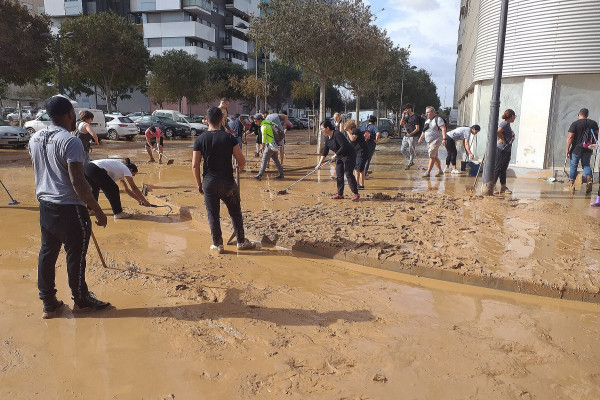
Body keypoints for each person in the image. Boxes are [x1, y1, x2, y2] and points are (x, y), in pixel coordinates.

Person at [28, 95, 110, 318]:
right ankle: (81, 298)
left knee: (47, 252)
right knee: (76, 255)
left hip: (46, 206)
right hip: (70, 208)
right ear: (70, 115)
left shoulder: (34, 138)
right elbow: (78, 182)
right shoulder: (70, 141)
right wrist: (97, 209)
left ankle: (49, 302)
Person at [192, 106, 257, 253]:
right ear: (222, 120)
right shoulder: (229, 138)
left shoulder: (200, 140)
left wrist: (199, 184)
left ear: (206, 120)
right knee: (235, 212)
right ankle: (241, 241)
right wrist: (238, 168)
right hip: (227, 182)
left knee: (213, 214)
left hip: (209, 182)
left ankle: (218, 244)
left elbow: (195, 166)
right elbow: (241, 160)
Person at [84, 158, 152, 219]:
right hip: (95, 168)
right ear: (131, 170)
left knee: (95, 188)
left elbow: (126, 189)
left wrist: (139, 200)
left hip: (87, 168)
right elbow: (134, 187)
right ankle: (118, 213)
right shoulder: (125, 169)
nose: (132, 176)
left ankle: (89, 209)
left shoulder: (120, 171)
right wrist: (145, 201)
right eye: (133, 174)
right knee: (114, 188)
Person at [316, 120, 360, 201]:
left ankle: (356, 193)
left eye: (322, 129)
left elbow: (344, 146)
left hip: (349, 155)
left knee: (348, 173)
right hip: (340, 156)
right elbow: (324, 152)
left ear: (327, 128)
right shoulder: (327, 139)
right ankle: (340, 194)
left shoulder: (337, 134)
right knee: (339, 175)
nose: (321, 131)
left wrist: (335, 155)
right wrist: (319, 164)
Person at [565, 108, 599, 193]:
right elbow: (596, 136)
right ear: (587, 115)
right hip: (588, 148)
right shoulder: (593, 123)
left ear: (579, 114)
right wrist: (593, 145)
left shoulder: (575, 124)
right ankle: (589, 181)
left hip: (576, 149)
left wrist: (567, 149)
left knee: (573, 166)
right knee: (586, 165)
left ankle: (571, 185)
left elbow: (570, 137)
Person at [253, 113, 285, 181]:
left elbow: (264, 137)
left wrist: (263, 146)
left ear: (260, 120)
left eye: (256, 121)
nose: (255, 123)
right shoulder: (269, 123)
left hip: (270, 145)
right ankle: (281, 174)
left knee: (264, 159)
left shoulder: (264, 126)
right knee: (276, 160)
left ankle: (260, 175)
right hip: (275, 145)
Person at [493, 109, 517, 194]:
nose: (515, 118)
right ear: (512, 116)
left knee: (503, 169)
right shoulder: (504, 124)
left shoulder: (508, 125)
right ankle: (492, 186)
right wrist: (502, 139)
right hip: (501, 150)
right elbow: (498, 131)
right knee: (498, 168)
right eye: (515, 116)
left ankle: (503, 186)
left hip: (507, 150)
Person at [418, 106, 447, 178]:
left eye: (428, 112)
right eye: (426, 113)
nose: (426, 114)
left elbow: (443, 129)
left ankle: (428, 172)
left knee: (431, 155)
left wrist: (444, 138)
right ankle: (440, 171)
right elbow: (424, 131)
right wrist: (421, 138)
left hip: (436, 140)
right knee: (434, 156)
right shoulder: (427, 120)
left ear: (433, 112)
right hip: (429, 141)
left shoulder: (438, 119)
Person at [344, 120, 369, 190]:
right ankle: (357, 183)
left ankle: (361, 185)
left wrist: (347, 132)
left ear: (350, 127)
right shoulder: (353, 132)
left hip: (362, 151)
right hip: (357, 152)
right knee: (356, 168)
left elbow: (352, 139)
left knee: (360, 168)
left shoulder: (355, 130)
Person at [400, 104, 420, 170]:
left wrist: (411, 134)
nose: (405, 110)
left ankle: (409, 164)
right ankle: (410, 161)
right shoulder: (407, 117)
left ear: (410, 109)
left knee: (411, 151)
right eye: (404, 109)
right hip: (406, 136)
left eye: (406, 109)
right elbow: (401, 123)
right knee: (402, 150)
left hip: (412, 137)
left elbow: (417, 128)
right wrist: (403, 116)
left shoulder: (415, 117)